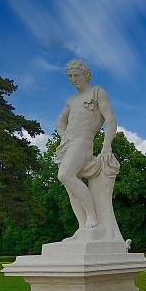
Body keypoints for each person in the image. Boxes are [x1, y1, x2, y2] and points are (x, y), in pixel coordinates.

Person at [55, 59, 118, 241]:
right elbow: (60, 121)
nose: (74, 79)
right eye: (70, 76)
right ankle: (83, 228)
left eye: (77, 75)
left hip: (83, 142)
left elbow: (111, 120)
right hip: (68, 143)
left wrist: (106, 146)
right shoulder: (71, 100)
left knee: (64, 175)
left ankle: (92, 216)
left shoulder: (97, 92)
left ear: (86, 75)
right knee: (70, 187)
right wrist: (63, 134)